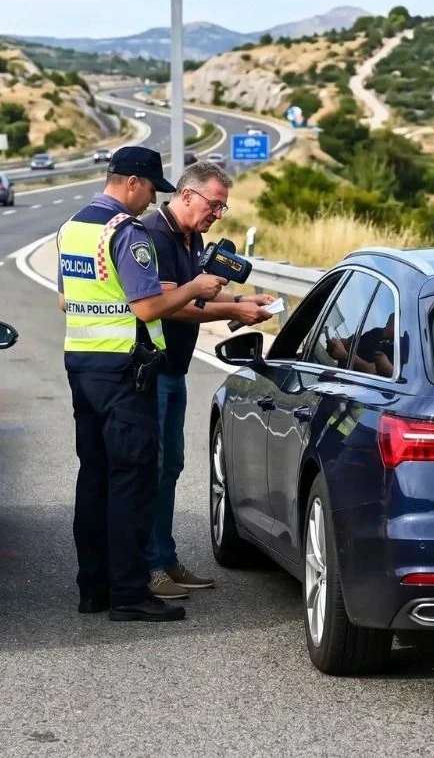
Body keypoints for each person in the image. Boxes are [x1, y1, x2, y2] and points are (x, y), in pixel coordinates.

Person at [57, 146, 225, 622]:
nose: (152, 200)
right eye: (151, 189)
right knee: (131, 481)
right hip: (125, 372)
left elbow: (65, 300)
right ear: (132, 182)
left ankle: (93, 588)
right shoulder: (125, 232)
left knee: (93, 479)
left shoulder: (72, 228)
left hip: (83, 367)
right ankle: (130, 592)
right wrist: (195, 288)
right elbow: (147, 306)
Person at [139, 162, 275, 600]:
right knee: (152, 469)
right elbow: (170, 304)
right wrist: (234, 311)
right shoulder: (154, 235)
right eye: (213, 204)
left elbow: (196, 292)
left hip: (175, 371)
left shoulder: (191, 237)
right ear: (186, 195)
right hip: (152, 372)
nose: (217, 213)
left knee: (170, 468)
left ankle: (165, 558)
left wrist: (242, 298)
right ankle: (149, 567)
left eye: (222, 207)